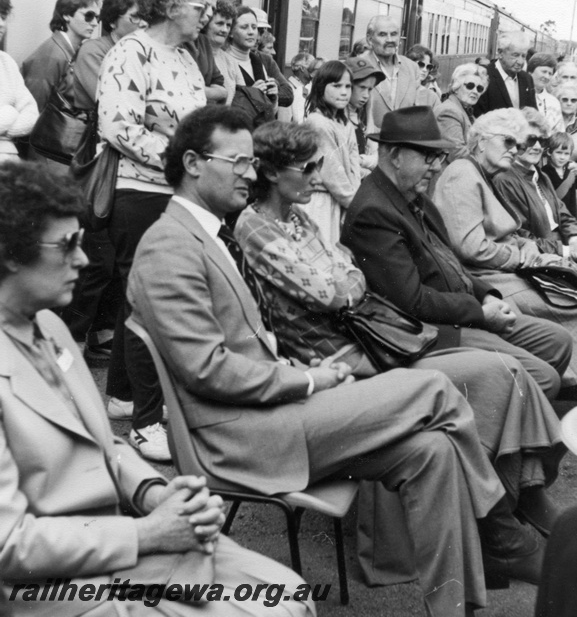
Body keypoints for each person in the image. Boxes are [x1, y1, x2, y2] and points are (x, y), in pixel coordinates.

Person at [127, 105, 549, 617]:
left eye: (249, 162)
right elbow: (208, 370)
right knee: (435, 387)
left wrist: (303, 374)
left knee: (433, 450)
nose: (248, 172)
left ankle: (458, 607)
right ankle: (503, 530)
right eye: (236, 162)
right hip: (239, 438)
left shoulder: (208, 233)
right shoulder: (168, 245)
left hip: (272, 412)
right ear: (192, 163)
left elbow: (336, 281)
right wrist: (307, 380)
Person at [0, 161, 313, 617]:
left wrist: (153, 492)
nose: (84, 260)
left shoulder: (46, 323)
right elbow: (9, 545)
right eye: (67, 245)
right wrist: (147, 534)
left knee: (290, 593)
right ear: (10, 253)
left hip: (113, 547)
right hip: (51, 591)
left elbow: (102, 442)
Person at [235, 120, 564, 550]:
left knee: (523, 365)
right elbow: (337, 291)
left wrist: (346, 278)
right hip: (347, 349)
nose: (319, 176)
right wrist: (346, 279)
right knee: (508, 374)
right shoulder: (259, 225)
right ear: (274, 173)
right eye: (309, 167)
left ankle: (516, 504)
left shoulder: (298, 215)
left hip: (378, 332)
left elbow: (348, 270)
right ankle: (503, 527)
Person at [341, 106, 572, 401]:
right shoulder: (373, 211)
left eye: (438, 157)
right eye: (429, 157)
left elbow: (452, 263)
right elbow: (410, 301)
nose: (437, 167)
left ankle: (517, 418)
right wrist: (481, 313)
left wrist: (487, 295)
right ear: (396, 156)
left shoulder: (412, 195)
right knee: (541, 377)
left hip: (462, 310)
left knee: (557, 341)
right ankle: (499, 432)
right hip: (432, 330)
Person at [98, 0, 210, 462]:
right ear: (168, 5)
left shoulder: (186, 60)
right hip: (139, 192)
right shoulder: (131, 52)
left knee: (136, 298)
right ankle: (147, 421)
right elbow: (118, 127)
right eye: (198, 5)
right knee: (149, 304)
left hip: (174, 190)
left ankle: (123, 395)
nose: (206, 15)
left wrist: (175, 133)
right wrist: (174, 150)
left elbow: (195, 129)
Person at [433, 108, 577, 353]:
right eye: (508, 141)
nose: (515, 150)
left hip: (502, 269)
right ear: (481, 142)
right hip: (484, 277)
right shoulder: (462, 173)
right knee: (569, 298)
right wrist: (519, 255)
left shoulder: (484, 174)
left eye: (517, 144)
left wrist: (526, 246)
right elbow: (470, 248)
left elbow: (503, 232)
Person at [64, 0, 145, 364]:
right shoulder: (95, 51)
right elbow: (115, 103)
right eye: (134, 18)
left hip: (120, 164)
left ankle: (98, 335)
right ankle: (69, 339)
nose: (141, 25)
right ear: (114, 19)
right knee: (97, 259)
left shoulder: (135, 50)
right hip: (99, 163)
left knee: (112, 258)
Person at [492, 108, 577, 259]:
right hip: (545, 257)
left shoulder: (541, 175)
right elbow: (521, 236)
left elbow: (561, 211)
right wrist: (564, 250)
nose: (537, 147)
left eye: (542, 141)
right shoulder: (505, 180)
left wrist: (573, 237)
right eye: (530, 140)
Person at [303, 60, 361, 246]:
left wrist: (355, 201)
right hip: (322, 202)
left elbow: (354, 167)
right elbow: (332, 173)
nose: (344, 92)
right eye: (336, 86)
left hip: (344, 201)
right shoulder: (317, 123)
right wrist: (356, 206)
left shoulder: (345, 124)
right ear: (321, 87)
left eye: (348, 86)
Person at [21, 0, 100, 112]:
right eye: (89, 15)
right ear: (66, 15)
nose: (95, 23)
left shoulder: (72, 51)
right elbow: (33, 111)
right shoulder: (51, 55)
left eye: (97, 17)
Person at [360, 15, 439, 133]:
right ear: (369, 39)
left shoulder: (411, 67)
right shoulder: (359, 67)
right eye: (382, 34)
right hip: (370, 144)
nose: (390, 40)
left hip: (403, 144)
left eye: (394, 34)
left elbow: (416, 108)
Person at [224, 6, 293, 107]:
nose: (251, 32)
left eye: (254, 27)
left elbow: (287, 95)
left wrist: (274, 96)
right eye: (244, 27)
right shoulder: (223, 61)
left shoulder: (260, 61)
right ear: (230, 32)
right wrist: (252, 94)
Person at [0, 0, 38, 160]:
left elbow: (31, 114)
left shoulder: (6, 62)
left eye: (3, 16)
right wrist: (10, 112)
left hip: (9, 161)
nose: (1, 23)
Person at [475, 31, 536, 114]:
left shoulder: (527, 79)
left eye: (523, 56)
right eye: (515, 55)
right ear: (500, 53)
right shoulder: (483, 77)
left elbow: (533, 114)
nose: (520, 62)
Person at [436, 63, 487, 163]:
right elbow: (456, 154)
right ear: (456, 87)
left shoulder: (466, 111)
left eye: (479, 88)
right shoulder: (449, 112)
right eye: (470, 86)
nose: (475, 91)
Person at [343, 56, 383, 174]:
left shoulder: (363, 117)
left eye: (370, 89)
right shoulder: (334, 119)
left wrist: (361, 160)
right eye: (362, 87)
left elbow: (377, 157)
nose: (366, 95)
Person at [201, 0, 243, 104]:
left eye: (228, 25)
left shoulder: (231, 62)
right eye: (220, 23)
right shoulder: (196, 53)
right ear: (206, 24)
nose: (224, 30)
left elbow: (242, 99)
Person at [543, 132, 577, 218]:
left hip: (571, 217)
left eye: (566, 153)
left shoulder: (571, 172)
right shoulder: (544, 172)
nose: (562, 157)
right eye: (559, 152)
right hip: (554, 216)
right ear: (549, 152)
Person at [528, 53, 563, 133]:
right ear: (530, 72)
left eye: (550, 73)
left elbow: (559, 135)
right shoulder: (518, 94)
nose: (547, 77)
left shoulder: (554, 103)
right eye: (544, 71)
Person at [278, 52, 315, 123]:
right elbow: (284, 121)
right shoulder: (289, 89)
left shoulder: (308, 87)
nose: (314, 71)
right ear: (302, 69)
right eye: (311, 68)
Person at [556, 81, 577, 156]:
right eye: (565, 99)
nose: (569, 103)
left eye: (573, 100)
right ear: (558, 100)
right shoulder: (551, 121)